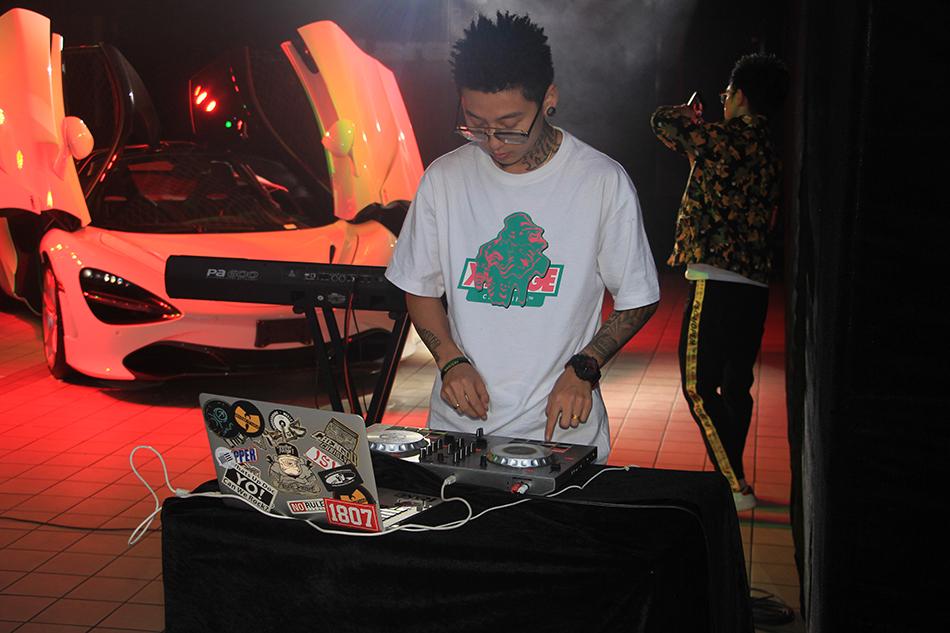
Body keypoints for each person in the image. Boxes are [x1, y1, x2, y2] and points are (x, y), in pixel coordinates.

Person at [385, 12, 660, 462]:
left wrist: (584, 368)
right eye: (475, 124)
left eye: (510, 125)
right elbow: (419, 287)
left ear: (549, 99)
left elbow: (638, 297)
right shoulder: (444, 180)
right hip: (460, 431)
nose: (494, 142)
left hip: (562, 435)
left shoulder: (600, 182)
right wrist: (450, 360)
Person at [651, 53, 789, 509]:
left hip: (716, 280)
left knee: (697, 385)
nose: (724, 101)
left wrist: (686, 113)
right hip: (755, 285)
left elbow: (662, 122)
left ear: (741, 96)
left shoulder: (723, 138)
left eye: (727, 94)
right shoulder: (772, 149)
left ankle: (734, 485)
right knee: (735, 385)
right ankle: (735, 476)